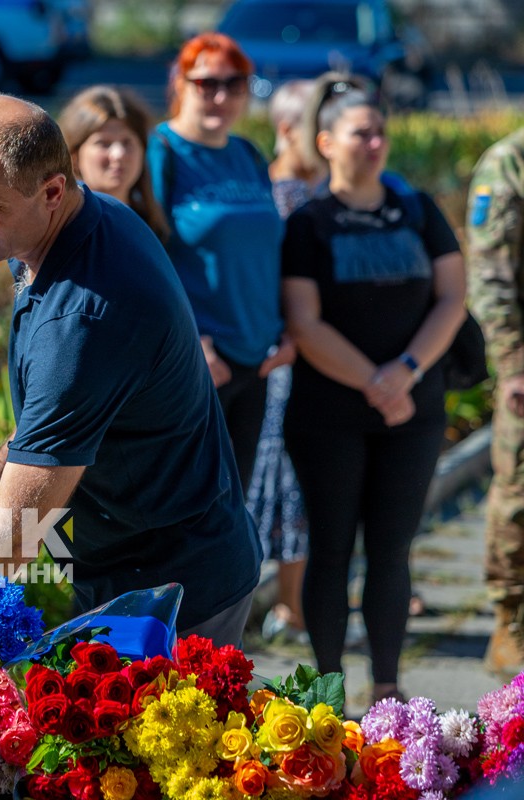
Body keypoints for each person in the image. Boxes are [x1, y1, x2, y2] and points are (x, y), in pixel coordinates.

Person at [0, 93, 262, 647]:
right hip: (135, 560)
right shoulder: (82, 217)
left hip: (174, 591)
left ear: (52, 191)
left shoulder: (81, 317)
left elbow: (16, 538)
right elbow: (68, 407)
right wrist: (6, 474)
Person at [281, 83, 466, 703]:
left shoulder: (416, 208)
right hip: (329, 414)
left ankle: (388, 692)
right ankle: (327, 697)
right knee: (331, 548)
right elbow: (304, 322)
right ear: (327, 143)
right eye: (361, 132)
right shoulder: (310, 223)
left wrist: (406, 372)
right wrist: (375, 381)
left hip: (412, 410)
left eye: (380, 131)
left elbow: (452, 296)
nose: (375, 142)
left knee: (391, 550)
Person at [149, 33, 293, 490]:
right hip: (198, 361)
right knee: (190, 504)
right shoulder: (162, 151)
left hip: (258, 358)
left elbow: (269, 250)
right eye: (206, 82)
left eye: (235, 84)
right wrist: (194, 342)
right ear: (180, 82)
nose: (220, 95)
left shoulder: (247, 154)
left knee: (235, 507)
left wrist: (286, 331)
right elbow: (144, 259)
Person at [251, 78, 325, 644]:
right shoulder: (275, 195)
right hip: (283, 357)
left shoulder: (317, 189)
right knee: (277, 478)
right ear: (285, 129)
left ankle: (296, 608)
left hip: (317, 359)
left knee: (300, 480)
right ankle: (278, 609)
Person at [466, 125, 524, 678]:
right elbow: (489, 275)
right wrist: (512, 362)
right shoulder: (510, 163)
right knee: (519, 490)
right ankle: (511, 620)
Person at [57, 84, 169, 241]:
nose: (118, 154)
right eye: (103, 143)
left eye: (127, 142)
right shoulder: (58, 231)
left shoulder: (152, 225)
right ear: (74, 156)